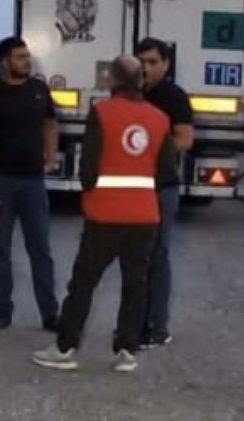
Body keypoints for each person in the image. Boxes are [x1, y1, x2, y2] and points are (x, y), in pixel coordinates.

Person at [32, 53, 176, 373]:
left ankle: (65, 347)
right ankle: (127, 350)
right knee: (135, 283)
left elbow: (89, 166)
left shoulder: (102, 113)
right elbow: (167, 171)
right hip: (145, 215)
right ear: (140, 80)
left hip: (105, 213)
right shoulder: (159, 118)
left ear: (113, 79)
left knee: (84, 282)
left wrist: (89, 194)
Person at [0, 36, 60, 332]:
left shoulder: (38, 90)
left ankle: (50, 313)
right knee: (0, 250)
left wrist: (51, 157)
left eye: (27, 56)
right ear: (4, 62)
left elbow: (50, 123)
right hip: (0, 182)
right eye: (20, 57)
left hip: (33, 182)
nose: (26, 61)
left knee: (41, 250)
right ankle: (3, 310)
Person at [135, 37, 194, 349]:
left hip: (162, 188)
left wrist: (149, 149)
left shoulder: (174, 96)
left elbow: (185, 139)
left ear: (166, 64)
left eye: (153, 62)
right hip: (131, 187)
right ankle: (135, 321)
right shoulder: (129, 95)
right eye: (142, 61)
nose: (146, 68)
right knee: (134, 258)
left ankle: (158, 326)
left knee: (157, 255)